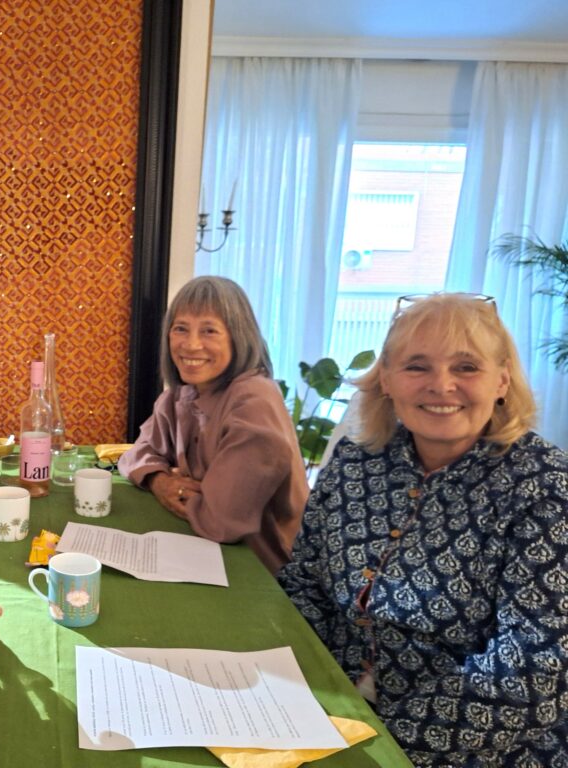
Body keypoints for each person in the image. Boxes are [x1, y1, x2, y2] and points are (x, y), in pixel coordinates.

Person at [278, 293, 568, 766]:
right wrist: (285, 682)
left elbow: (537, 669)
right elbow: (304, 583)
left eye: (466, 367)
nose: (441, 385)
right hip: (329, 709)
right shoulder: (355, 461)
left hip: (470, 748)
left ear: (502, 380)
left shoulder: (545, 487)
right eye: (417, 367)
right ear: (387, 380)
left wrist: (385, 737)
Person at [118, 276, 308, 573]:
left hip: (265, 575)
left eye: (209, 331)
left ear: (238, 336)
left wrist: (187, 494)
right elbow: (135, 454)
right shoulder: (180, 395)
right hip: (205, 553)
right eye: (180, 329)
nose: (191, 345)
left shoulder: (254, 401)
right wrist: (162, 482)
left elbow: (219, 522)